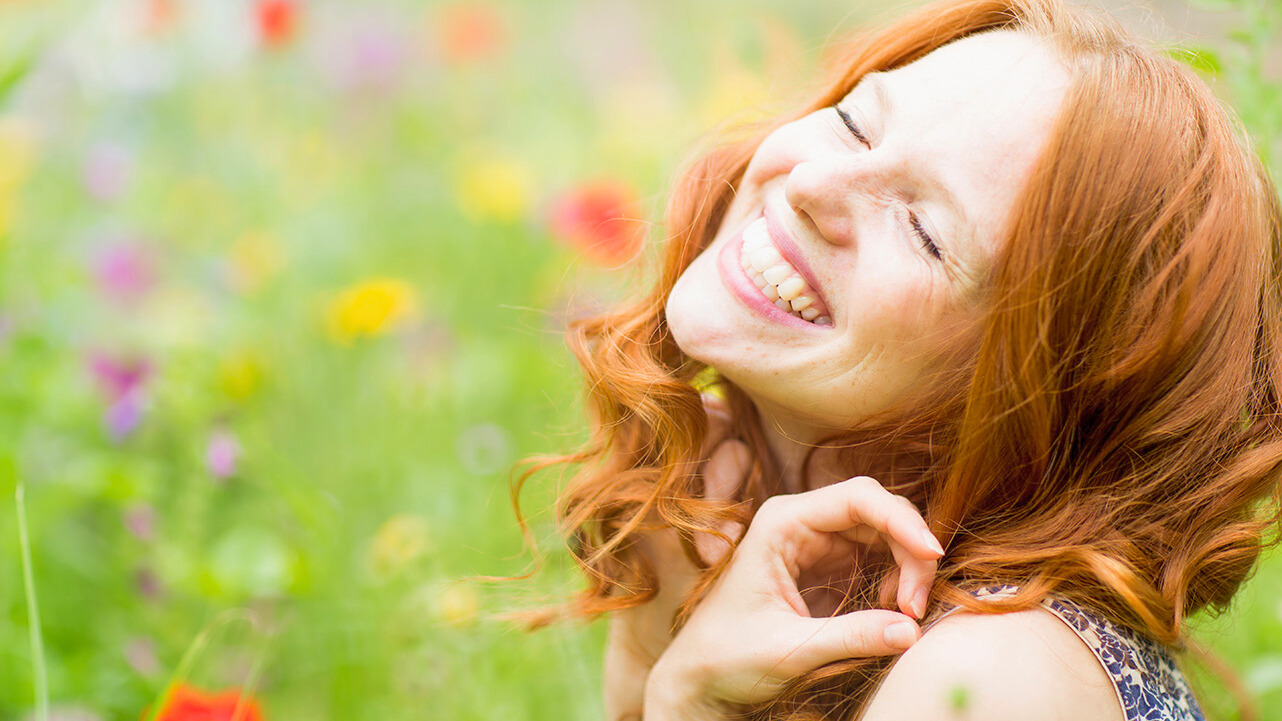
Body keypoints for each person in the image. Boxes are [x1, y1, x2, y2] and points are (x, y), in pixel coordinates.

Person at [513, 0, 1282, 718]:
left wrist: (686, 701)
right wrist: (656, 645)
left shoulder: (994, 678)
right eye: (854, 124)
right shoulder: (756, 555)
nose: (812, 181)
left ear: (1041, 399)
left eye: (925, 231)